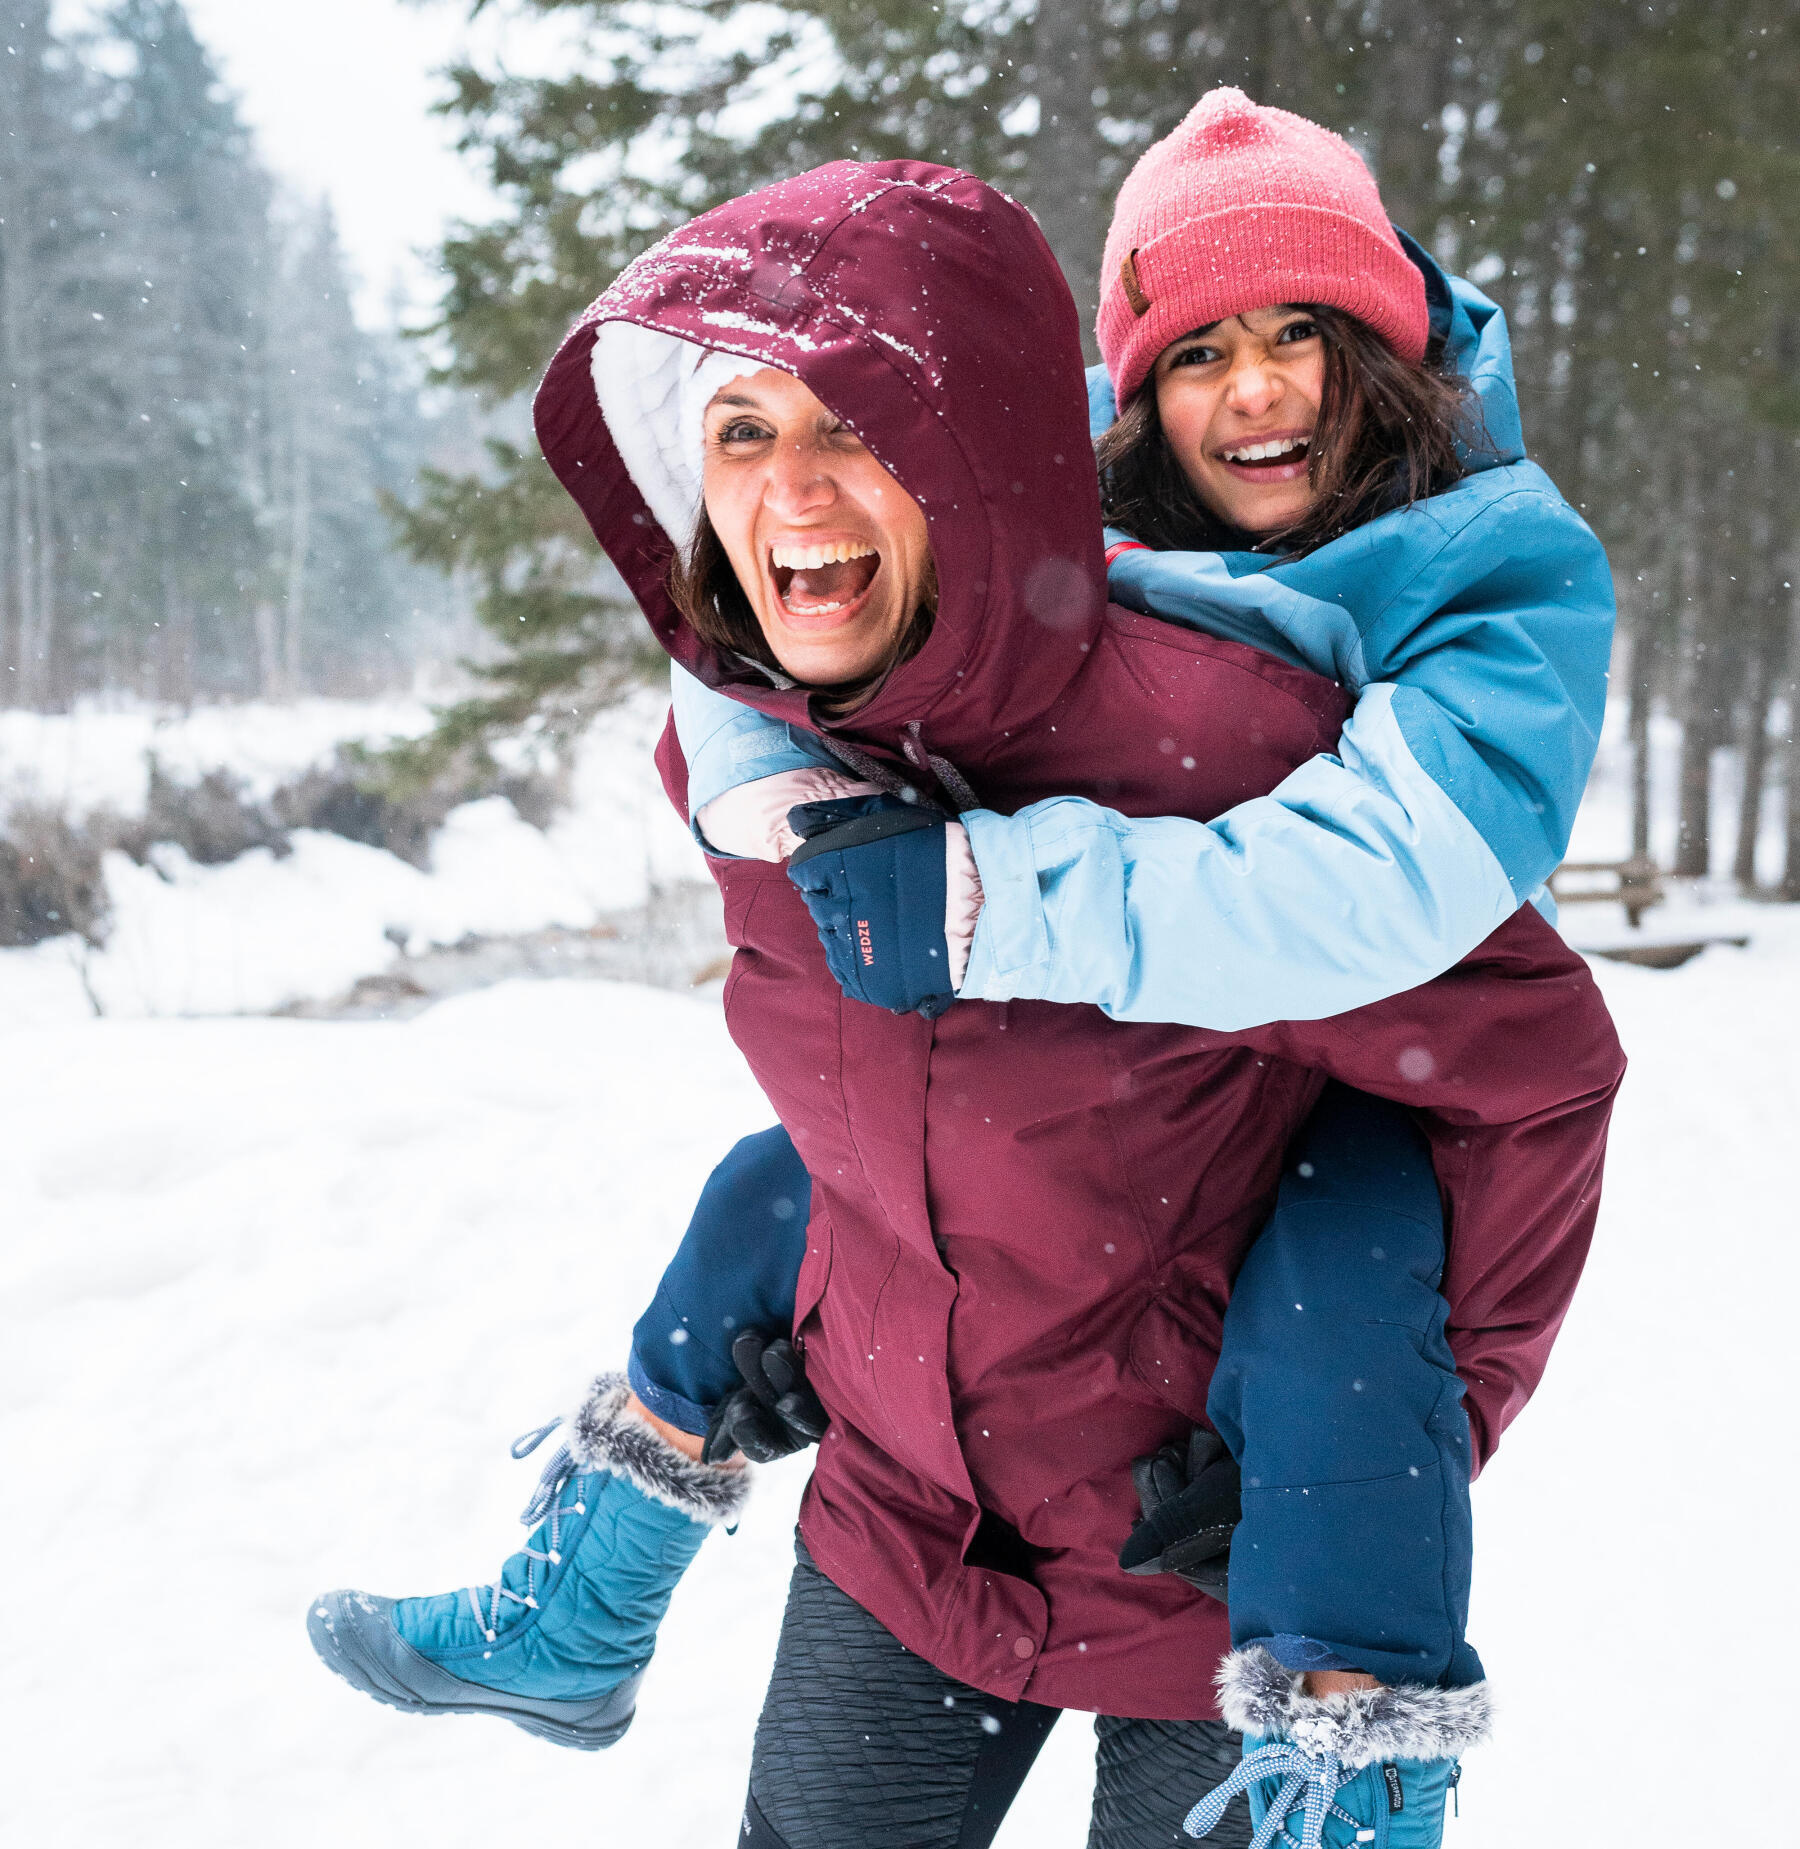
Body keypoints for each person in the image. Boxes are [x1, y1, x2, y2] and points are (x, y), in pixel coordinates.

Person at [310, 108, 1620, 1849]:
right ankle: (593, 1586)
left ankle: (1350, 1762)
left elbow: (1397, 904)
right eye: (1200, 349)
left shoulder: (1479, 572)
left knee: (1342, 1315)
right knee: (781, 1187)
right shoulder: (1021, 557)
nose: (1255, 392)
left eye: (1303, 333)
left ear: (1384, 355)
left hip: (1304, 1147)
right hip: (927, 1498)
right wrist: (773, 776)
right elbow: (784, 586)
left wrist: (1004, 894)